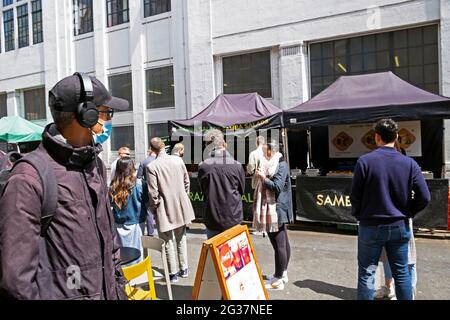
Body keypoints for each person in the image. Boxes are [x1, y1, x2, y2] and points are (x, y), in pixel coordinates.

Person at [0, 72, 129, 299]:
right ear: (87, 115)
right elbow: (16, 281)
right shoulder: (28, 177)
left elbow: (110, 242)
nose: (109, 119)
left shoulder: (95, 164)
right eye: (106, 112)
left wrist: (119, 287)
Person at [350, 118, 430, 300]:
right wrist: (408, 211)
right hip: (399, 225)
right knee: (401, 273)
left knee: (367, 274)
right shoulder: (409, 164)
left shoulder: (364, 162)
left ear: (377, 137)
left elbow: (355, 196)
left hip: (370, 225)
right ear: (396, 137)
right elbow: (424, 197)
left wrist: (359, 215)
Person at [145, 137, 195, 282]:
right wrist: (184, 197)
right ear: (164, 146)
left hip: (164, 207)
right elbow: (187, 182)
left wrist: (155, 208)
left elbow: (153, 192)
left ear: (152, 150)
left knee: (167, 241)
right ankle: (183, 268)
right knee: (181, 237)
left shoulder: (152, 166)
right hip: (180, 206)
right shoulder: (178, 160)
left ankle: (173, 273)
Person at [255, 141, 293, 290]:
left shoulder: (281, 165)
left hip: (276, 209)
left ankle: (278, 279)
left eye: (265, 151)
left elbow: (277, 186)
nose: (264, 154)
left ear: (272, 151)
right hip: (276, 208)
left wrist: (263, 178)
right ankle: (282, 273)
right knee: (282, 242)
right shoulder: (276, 164)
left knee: (279, 245)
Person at [198, 129, 245, 239]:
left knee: (215, 255)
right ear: (224, 144)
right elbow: (241, 190)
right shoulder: (236, 165)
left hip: (212, 219)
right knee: (234, 255)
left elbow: (203, 191)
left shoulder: (203, 167)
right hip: (233, 218)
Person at [110, 157, 148, 265]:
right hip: (136, 222)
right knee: (137, 252)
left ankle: (124, 275)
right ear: (132, 169)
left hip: (118, 223)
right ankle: (136, 274)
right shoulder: (140, 184)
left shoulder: (113, 185)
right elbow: (147, 202)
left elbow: (109, 203)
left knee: (122, 253)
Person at [137, 148, 157, 236]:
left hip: (148, 188)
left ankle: (150, 232)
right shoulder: (159, 161)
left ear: (149, 152)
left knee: (149, 211)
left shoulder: (143, 162)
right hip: (160, 188)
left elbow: (139, 177)